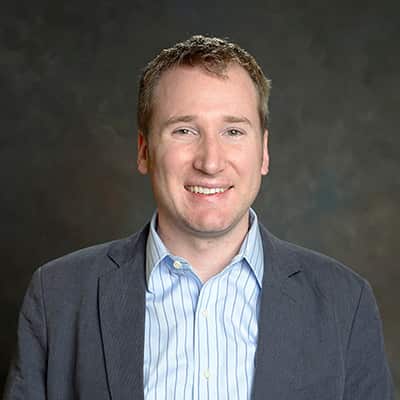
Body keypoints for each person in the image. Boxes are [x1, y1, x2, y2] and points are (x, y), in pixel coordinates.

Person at [4, 35, 394, 400]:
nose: (210, 162)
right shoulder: (58, 297)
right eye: (184, 130)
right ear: (144, 151)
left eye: (233, 131)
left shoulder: (345, 302)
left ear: (263, 152)